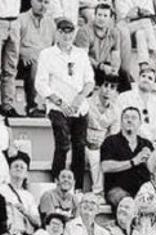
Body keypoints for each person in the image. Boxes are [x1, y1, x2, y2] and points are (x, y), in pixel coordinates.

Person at [37, 17, 95, 181]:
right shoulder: (47, 54)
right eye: (62, 32)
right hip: (57, 107)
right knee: (62, 144)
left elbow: (90, 81)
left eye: (70, 32)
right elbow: (41, 84)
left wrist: (79, 99)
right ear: (57, 33)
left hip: (79, 107)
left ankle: (76, 186)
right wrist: (60, 103)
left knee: (80, 146)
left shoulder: (81, 54)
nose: (66, 36)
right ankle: (57, 181)